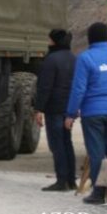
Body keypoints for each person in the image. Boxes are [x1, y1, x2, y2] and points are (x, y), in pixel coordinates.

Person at [65, 22, 107, 204]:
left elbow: (78, 89)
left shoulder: (86, 58)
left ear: (90, 38)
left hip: (92, 113)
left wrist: (70, 113)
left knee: (96, 152)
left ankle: (98, 193)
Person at [35, 29, 77, 192]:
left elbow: (45, 87)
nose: (48, 41)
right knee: (67, 143)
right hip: (68, 108)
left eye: (49, 39)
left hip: (54, 108)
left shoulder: (51, 60)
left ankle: (61, 181)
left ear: (54, 41)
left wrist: (39, 109)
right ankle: (71, 180)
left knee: (57, 145)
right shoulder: (74, 58)